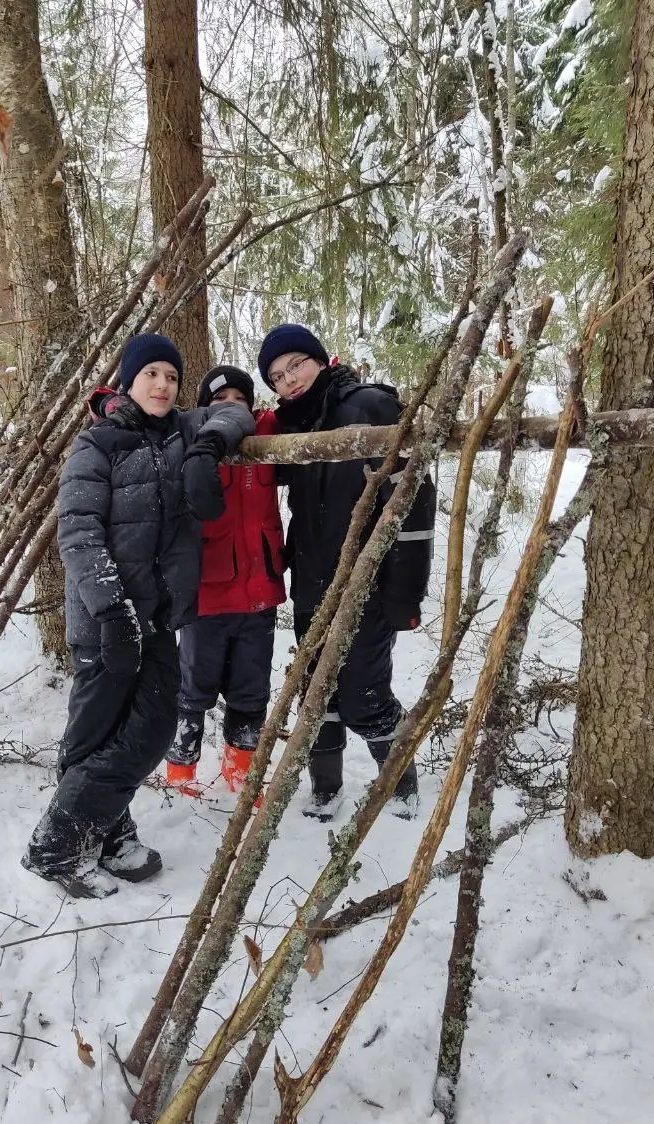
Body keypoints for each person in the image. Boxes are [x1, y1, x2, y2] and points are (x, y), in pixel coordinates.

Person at [23, 333, 256, 898]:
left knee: (148, 729)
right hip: (105, 621)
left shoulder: (181, 431)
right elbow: (78, 533)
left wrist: (206, 449)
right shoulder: (96, 444)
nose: (162, 385)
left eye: (172, 377)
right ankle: (61, 848)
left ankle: (100, 831)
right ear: (128, 381)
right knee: (95, 734)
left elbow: (236, 413)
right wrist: (112, 611)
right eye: (151, 374)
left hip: (157, 619)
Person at [257, 323, 436, 820]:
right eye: (276, 375)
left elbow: (414, 502)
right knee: (318, 690)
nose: (288, 379)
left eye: (296, 365)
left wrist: (406, 591)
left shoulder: (370, 407)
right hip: (311, 583)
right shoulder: (295, 424)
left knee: (363, 692)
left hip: (369, 585)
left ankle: (400, 783)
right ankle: (325, 788)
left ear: (321, 359)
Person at [165, 365, 286, 794]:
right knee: (193, 689)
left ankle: (242, 773)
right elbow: (131, 408)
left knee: (251, 691)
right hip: (208, 595)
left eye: (240, 398)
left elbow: (301, 410)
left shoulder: (265, 431)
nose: (231, 406)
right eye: (220, 399)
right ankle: (180, 776)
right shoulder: (188, 435)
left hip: (260, 592)